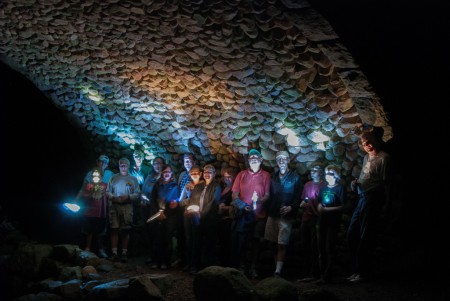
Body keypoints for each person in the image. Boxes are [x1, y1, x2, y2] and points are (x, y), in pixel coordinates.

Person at [347, 131, 391, 283]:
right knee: (352, 233)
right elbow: (364, 177)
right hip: (362, 198)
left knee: (365, 236)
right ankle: (355, 270)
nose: (367, 146)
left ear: (375, 140)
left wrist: (387, 204)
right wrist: (355, 184)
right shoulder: (366, 157)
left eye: (369, 142)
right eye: (364, 144)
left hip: (372, 200)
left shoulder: (384, 158)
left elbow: (387, 184)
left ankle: (363, 272)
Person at [230, 148, 270, 279]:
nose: (253, 159)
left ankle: (253, 267)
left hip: (259, 215)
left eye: (256, 157)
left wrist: (259, 201)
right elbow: (234, 194)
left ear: (261, 160)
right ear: (248, 160)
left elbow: (267, 194)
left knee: (255, 242)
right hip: (243, 215)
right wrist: (242, 205)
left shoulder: (265, 175)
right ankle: (242, 267)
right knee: (242, 241)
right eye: (251, 157)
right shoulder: (241, 174)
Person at [265, 151, 302, 277]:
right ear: (276, 161)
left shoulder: (295, 178)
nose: (281, 161)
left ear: (288, 160)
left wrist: (291, 207)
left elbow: (298, 197)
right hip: (273, 213)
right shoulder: (273, 177)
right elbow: (268, 195)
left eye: (284, 159)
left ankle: (278, 271)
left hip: (286, 216)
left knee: (282, 243)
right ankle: (277, 270)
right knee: (273, 242)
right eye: (279, 159)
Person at [184, 164, 221, 274]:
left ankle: (209, 268)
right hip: (196, 219)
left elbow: (213, 203)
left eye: (210, 172)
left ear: (214, 174)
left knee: (209, 243)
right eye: (205, 172)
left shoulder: (216, 187)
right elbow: (192, 199)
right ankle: (195, 265)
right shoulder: (199, 186)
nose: (207, 174)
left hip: (209, 220)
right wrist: (190, 210)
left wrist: (202, 214)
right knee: (196, 242)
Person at [74, 154, 113, 258]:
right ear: (97, 162)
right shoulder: (90, 175)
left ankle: (101, 249)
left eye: (105, 163)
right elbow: (83, 190)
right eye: (101, 161)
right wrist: (75, 201)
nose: (103, 164)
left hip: (102, 208)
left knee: (101, 229)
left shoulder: (109, 175)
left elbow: (111, 190)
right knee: (88, 228)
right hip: (90, 208)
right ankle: (87, 248)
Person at [107, 158, 141, 262]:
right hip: (115, 206)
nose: (123, 167)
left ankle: (124, 253)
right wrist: (113, 197)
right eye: (121, 165)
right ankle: (114, 253)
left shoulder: (133, 179)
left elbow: (137, 193)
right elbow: (108, 191)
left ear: (128, 166)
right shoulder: (113, 178)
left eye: (125, 165)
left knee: (125, 229)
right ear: (119, 166)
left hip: (127, 206)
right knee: (114, 228)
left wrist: (128, 197)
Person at [316, 165, 346, 283]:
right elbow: (319, 201)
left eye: (330, 173)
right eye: (326, 173)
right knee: (321, 248)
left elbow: (343, 206)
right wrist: (319, 207)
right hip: (322, 221)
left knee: (330, 248)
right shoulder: (323, 188)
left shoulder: (340, 188)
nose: (328, 176)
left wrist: (328, 210)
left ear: (336, 175)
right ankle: (322, 275)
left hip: (333, 222)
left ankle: (328, 275)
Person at [298, 165, 326, 281]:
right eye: (312, 170)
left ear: (321, 172)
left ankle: (316, 273)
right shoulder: (307, 185)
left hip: (317, 218)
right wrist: (303, 204)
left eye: (315, 170)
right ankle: (306, 273)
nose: (313, 172)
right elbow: (304, 200)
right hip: (306, 218)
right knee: (305, 245)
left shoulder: (324, 185)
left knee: (316, 246)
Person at [149, 164, 180, 270]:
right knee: (157, 237)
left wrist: (169, 211)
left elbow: (176, 202)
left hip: (170, 216)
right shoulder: (157, 185)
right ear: (162, 173)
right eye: (165, 172)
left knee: (167, 238)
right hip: (158, 214)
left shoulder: (175, 186)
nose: (167, 174)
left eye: (169, 172)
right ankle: (155, 261)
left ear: (172, 173)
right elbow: (153, 200)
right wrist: (157, 213)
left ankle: (165, 262)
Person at [80, 167, 109, 258]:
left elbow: (108, 197)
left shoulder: (105, 185)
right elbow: (84, 198)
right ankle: (87, 248)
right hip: (89, 212)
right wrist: (91, 193)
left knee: (101, 232)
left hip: (101, 213)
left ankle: (101, 249)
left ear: (101, 176)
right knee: (89, 231)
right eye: (94, 175)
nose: (96, 177)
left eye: (98, 175)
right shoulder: (89, 185)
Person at [140, 156, 165, 264]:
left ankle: (158, 257)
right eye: (155, 163)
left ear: (163, 164)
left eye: (159, 163)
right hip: (147, 208)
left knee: (158, 233)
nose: (157, 165)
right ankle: (151, 255)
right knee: (148, 232)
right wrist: (142, 199)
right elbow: (143, 190)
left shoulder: (164, 177)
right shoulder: (149, 176)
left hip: (158, 209)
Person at [217, 166, 238, 267]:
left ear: (234, 177)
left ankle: (229, 265)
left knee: (229, 244)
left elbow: (236, 206)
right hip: (220, 220)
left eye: (229, 176)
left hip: (229, 220)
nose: (227, 179)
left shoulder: (235, 190)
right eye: (225, 177)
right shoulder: (223, 187)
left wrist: (225, 208)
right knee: (221, 243)